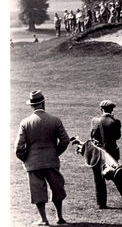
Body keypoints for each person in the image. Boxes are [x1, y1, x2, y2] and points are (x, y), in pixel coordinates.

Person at [15, 90, 70, 225]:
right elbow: (65, 140)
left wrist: (26, 158)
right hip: (51, 161)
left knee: (37, 191)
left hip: (33, 163)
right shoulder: (55, 120)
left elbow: (18, 148)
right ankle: (60, 217)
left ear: (32, 105)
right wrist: (55, 152)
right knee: (57, 188)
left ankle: (44, 219)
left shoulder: (25, 122)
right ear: (43, 102)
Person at [90, 100, 122, 211]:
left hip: (97, 153)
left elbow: (92, 136)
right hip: (111, 154)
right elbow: (117, 136)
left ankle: (101, 203)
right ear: (112, 109)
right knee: (120, 178)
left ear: (101, 109)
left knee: (98, 179)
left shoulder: (95, 121)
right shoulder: (115, 122)